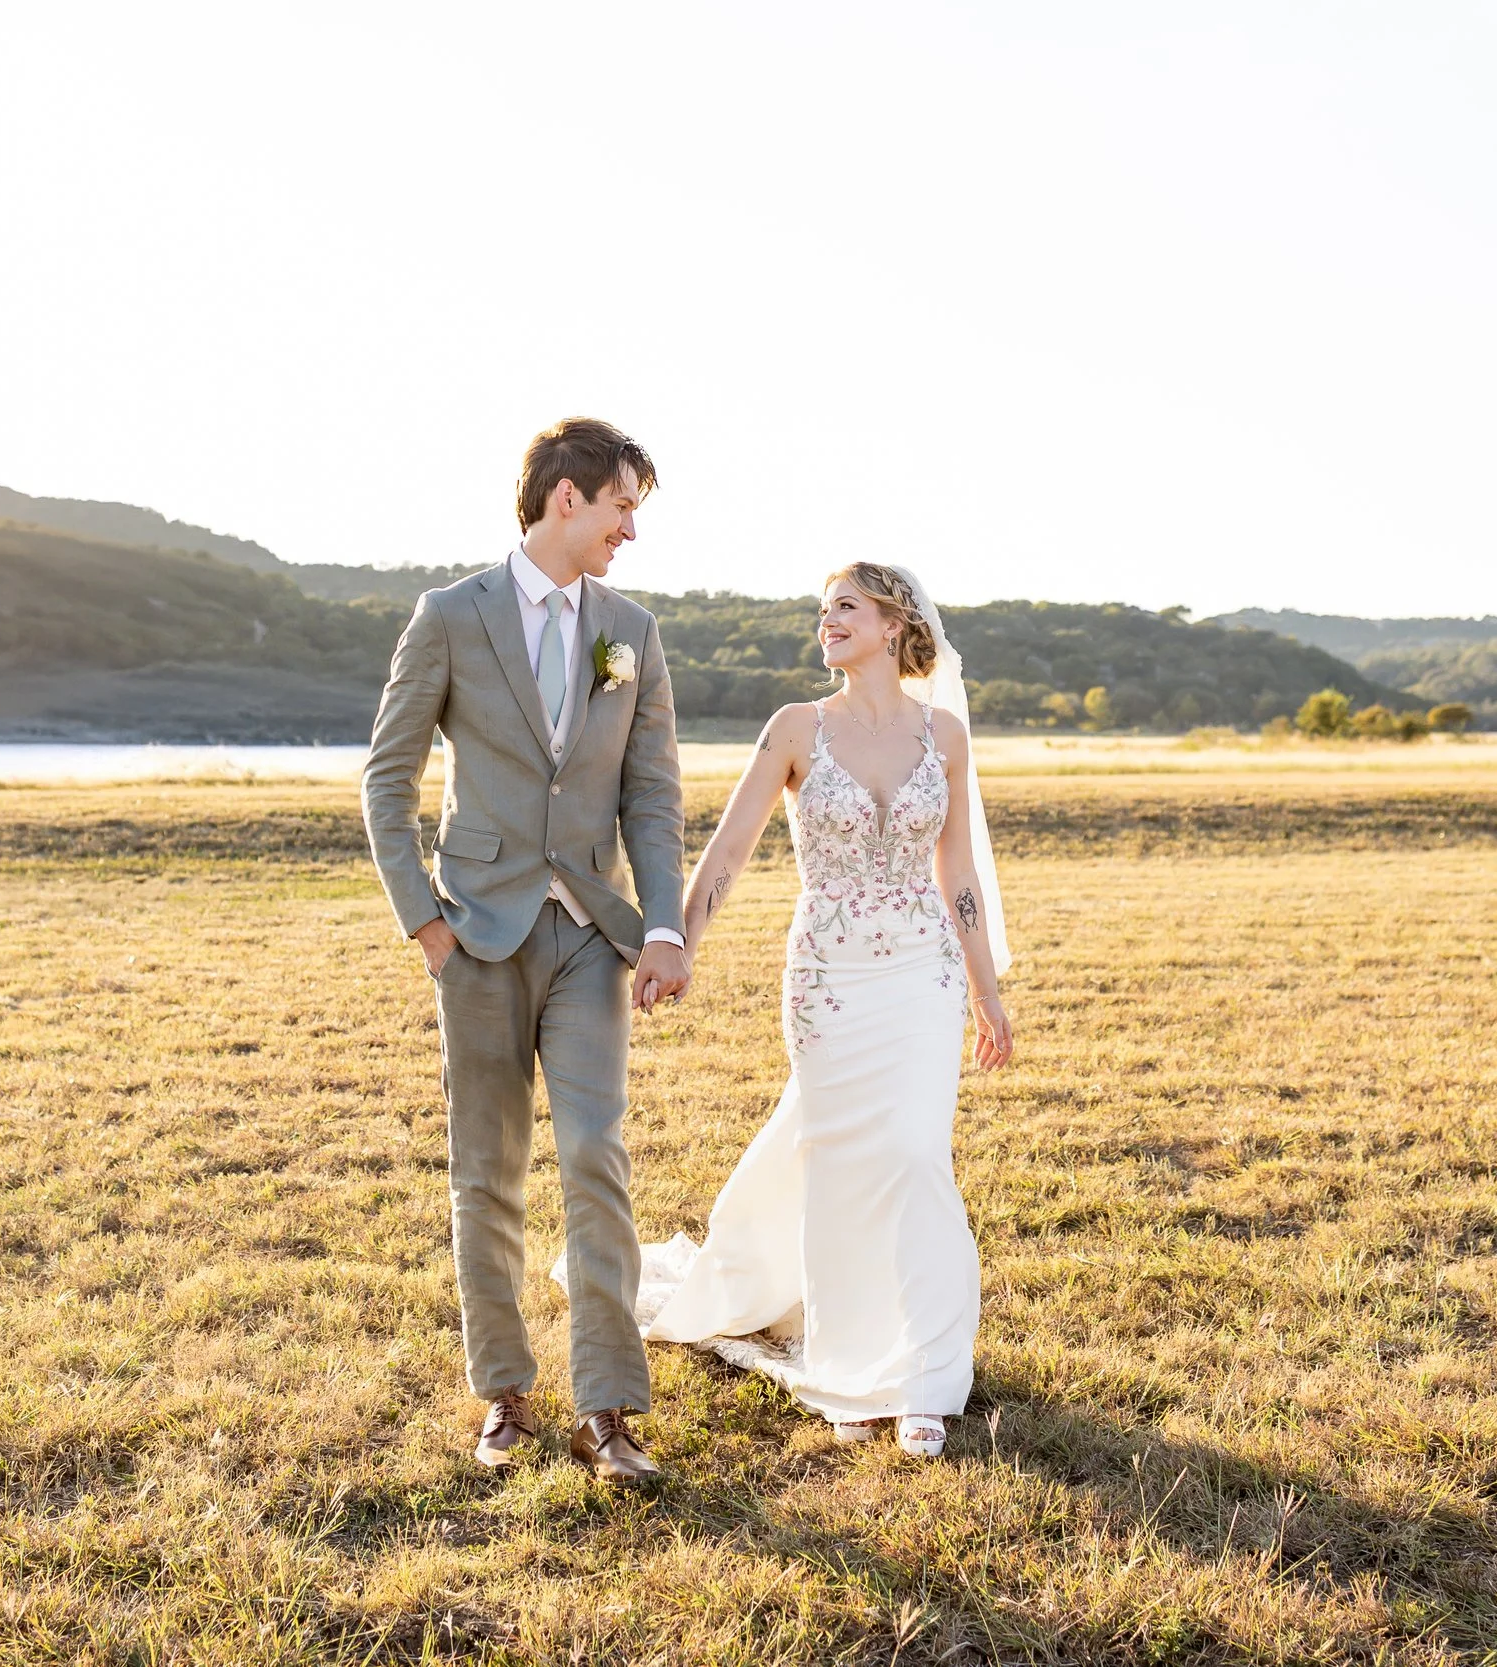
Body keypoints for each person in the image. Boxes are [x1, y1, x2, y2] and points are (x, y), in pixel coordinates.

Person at [362, 418, 689, 1486]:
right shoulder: (449, 618)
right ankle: (503, 1392)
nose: (630, 530)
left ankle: (609, 1408)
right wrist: (425, 922)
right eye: (622, 506)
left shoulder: (631, 630)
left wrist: (664, 923)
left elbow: (651, 794)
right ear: (567, 500)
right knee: (486, 1169)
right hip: (479, 934)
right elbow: (386, 776)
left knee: (595, 1153)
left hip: (593, 933)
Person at [628, 561, 1013, 1458]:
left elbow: (957, 871)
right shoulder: (796, 728)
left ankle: (922, 1371)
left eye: (844, 607)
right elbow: (728, 850)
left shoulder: (944, 735)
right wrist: (680, 941)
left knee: (915, 1154)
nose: (825, 622)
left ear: (892, 622)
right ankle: (848, 1366)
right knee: (841, 1166)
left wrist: (987, 989)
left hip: (923, 974)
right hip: (829, 978)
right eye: (822, 611)